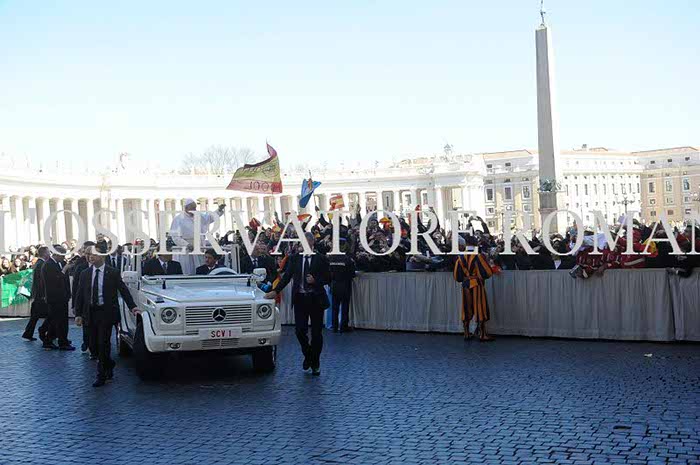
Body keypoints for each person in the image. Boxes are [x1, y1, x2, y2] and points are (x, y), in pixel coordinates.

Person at [74, 242, 138, 387]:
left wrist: (132, 307)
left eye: (94, 254)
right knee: (94, 346)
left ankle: (101, 375)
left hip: (106, 313)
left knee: (103, 343)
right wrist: (78, 314)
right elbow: (80, 295)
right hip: (90, 313)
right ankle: (108, 364)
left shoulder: (112, 272)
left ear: (102, 256)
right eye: (89, 254)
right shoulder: (85, 274)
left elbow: (123, 290)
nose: (90, 257)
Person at [265, 232, 330, 376]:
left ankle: (315, 363)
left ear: (312, 243)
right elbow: (286, 277)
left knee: (317, 333)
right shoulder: (294, 259)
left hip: (316, 299)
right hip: (300, 299)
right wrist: (275, 291)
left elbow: (328, 278)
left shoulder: (321, 259)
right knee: (300, 331)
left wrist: (316, 281)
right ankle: (308, 354)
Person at [453, 236, 494, 342]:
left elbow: (457, 276)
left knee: (466, 308)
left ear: (466, 244)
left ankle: (466, 333)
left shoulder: (460, 257)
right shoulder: (478, 256)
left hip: (466, 284)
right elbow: (488, 272)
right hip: (476, 284)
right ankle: (482, 334)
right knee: (480, 308)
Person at [169, 198, 225, 275]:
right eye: (193, 208)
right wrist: (187, 245)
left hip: (199, 248)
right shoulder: (178, 219)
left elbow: (209, 217)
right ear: (186, 208)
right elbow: (175, 237)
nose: (195, 210)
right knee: (188, 270)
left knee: (200, 269)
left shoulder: (199, 216)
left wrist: (219, 210)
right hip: (186, 251)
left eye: (195, 208)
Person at [41, 245, 75, 350]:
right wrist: (65, 269)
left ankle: (54, 340)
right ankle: (61, 342)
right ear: (56, 254)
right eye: (62, 255)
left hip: (62, 297)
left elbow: (64, 280)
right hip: (55, 298)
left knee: (58, 321)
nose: (64, 258)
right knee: (59, 321)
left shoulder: (60, 263)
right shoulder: (48, 265)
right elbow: (55, 281)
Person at [69, 241, 96, 354]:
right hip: (85, 303)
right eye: (86, 253)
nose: (88, 256)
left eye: (91, 253)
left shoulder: (105, 266)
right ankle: (87, 343)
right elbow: (76, 287)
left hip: (100, 304)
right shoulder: (80, 267)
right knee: (86, 326)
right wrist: (75, 306)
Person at [21, 246, 50, 342]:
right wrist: (43, 295)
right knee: (50, 315)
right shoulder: (41, 264)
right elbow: (41, 281)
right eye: (48, 252)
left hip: (37, 294)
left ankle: (28, 333)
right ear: (44, 253)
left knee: (35, 316)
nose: (49, 254)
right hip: (41, 295)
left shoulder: (38, 263)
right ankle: (47, 333)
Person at [328, 239, 356, 333]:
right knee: (344, 307)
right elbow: (352, 274)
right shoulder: (348, 259)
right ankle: (343, 326)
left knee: (334, 307)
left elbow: (328, 273)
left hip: (334, 285)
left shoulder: (330, 259)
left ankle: (334, 327)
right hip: (345, 285)